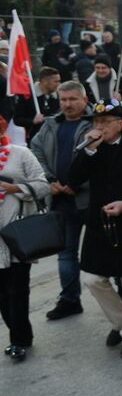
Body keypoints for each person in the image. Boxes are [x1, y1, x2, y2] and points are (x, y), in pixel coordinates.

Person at [62, 99, 122, 357]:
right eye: (96, 122)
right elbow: (72, 180)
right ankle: (120, 322)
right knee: (92, 278)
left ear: (119, 122)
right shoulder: (92, 149)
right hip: (100, 224)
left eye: (105, 122)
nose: (100, 126)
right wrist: (87, 151)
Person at [30, 79, 93, 321]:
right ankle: (69, 299)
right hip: (61, 202)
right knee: (66, 254)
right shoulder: (50, 125)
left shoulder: (95, 123)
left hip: (91, 200)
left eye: (72, 99)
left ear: (84, 100)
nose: (67, 104)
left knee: (108, 251)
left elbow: (99, 159)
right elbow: (35, 150)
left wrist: (77, 183)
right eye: (63, 100)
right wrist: (49, 180)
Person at [0, 114, 49, 361]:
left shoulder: (21, 154)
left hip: (18, 233)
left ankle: (17, 341)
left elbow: (42, 185)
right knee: (2, 294)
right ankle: (22, 334)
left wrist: (15, 189)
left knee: (17, 290)